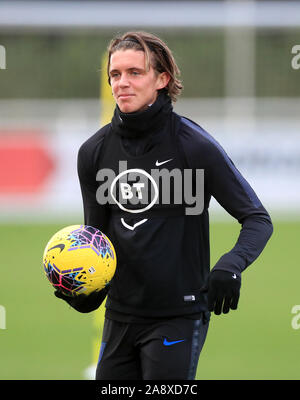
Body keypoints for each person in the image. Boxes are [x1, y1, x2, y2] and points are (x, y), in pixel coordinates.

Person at [55, 31, 273, 380]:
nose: (122, 83)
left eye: (134, 73)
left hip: (178, 316)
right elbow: (97, 242)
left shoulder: (194, 145)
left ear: (162, 79)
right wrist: (83, 291)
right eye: (115, 74)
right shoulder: (93, 153)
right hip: (120, 318)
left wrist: (231, 265)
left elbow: (257, 219)